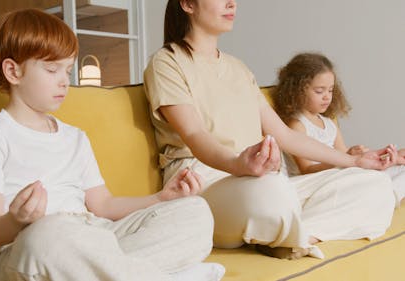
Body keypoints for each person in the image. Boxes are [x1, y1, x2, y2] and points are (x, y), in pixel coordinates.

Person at [0, 8, 226, 281]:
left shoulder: (75, 137)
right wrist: (15, 220)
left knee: (195, 212)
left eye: (68, 70)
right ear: (13, 71)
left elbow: (103, 205)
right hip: (28, 247)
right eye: (52, 69)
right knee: (49, 236)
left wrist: (161, 198)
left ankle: (123, 273)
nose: (65, 81)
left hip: (94, 237)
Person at [143, 0, 396, 260]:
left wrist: (354, 161)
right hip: (204, 180)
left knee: (374, 184)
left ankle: (297, 236)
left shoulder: (239, 69)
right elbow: (195, 135)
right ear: (187, 4)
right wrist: (238, 164)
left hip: (260, 179)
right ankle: (282, 227)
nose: (232, 3)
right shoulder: (167, 62)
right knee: (272, 190)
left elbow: (285, 136)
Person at [272, 52, 405, 208]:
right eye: (319, 91)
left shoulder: (329, 124)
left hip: (337, 174)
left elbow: (345, 155)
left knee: (399, 169)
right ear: (296, 91)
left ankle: (387, 195)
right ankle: (385, 199)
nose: (327, 97)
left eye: (330, 90)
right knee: (373, 179)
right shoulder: (297, 125)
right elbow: (307, 170)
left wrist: (381, 158)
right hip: (316, 183)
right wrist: (346, 158)